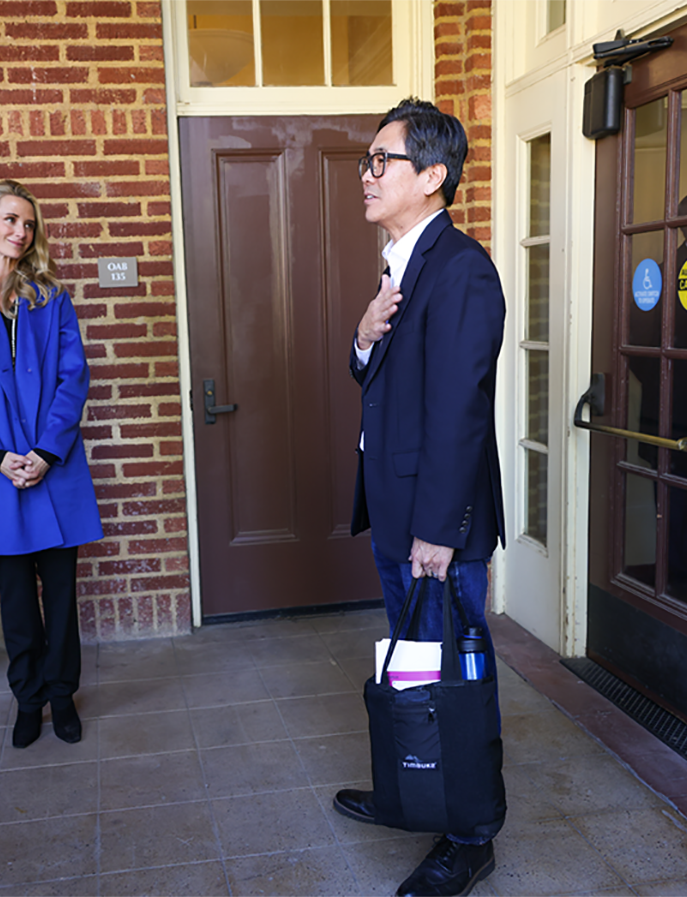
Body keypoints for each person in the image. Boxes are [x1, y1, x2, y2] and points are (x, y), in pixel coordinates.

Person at [332, 99, 507, 897]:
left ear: (431, 177)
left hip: (436, 525)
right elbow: (385, 385)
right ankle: (413, 786)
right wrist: (364, 338)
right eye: (366, 161)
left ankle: (468, 834)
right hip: (397, 511)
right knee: (414, 662)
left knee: (456, 676)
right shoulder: (400, 265)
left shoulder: (462, 268)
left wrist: (437, 529)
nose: (366, 174)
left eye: (381, 160)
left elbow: (458, 410)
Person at [0, 181, 103, 749]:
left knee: (59, 600)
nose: (20, 232)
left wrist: (45, 452)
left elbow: (72, 377)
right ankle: (28, 700)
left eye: (28, 224)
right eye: (9, 220)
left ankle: (62, 696)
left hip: (53, 469)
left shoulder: (50, 297)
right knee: (15, 604)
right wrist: (0, 455)